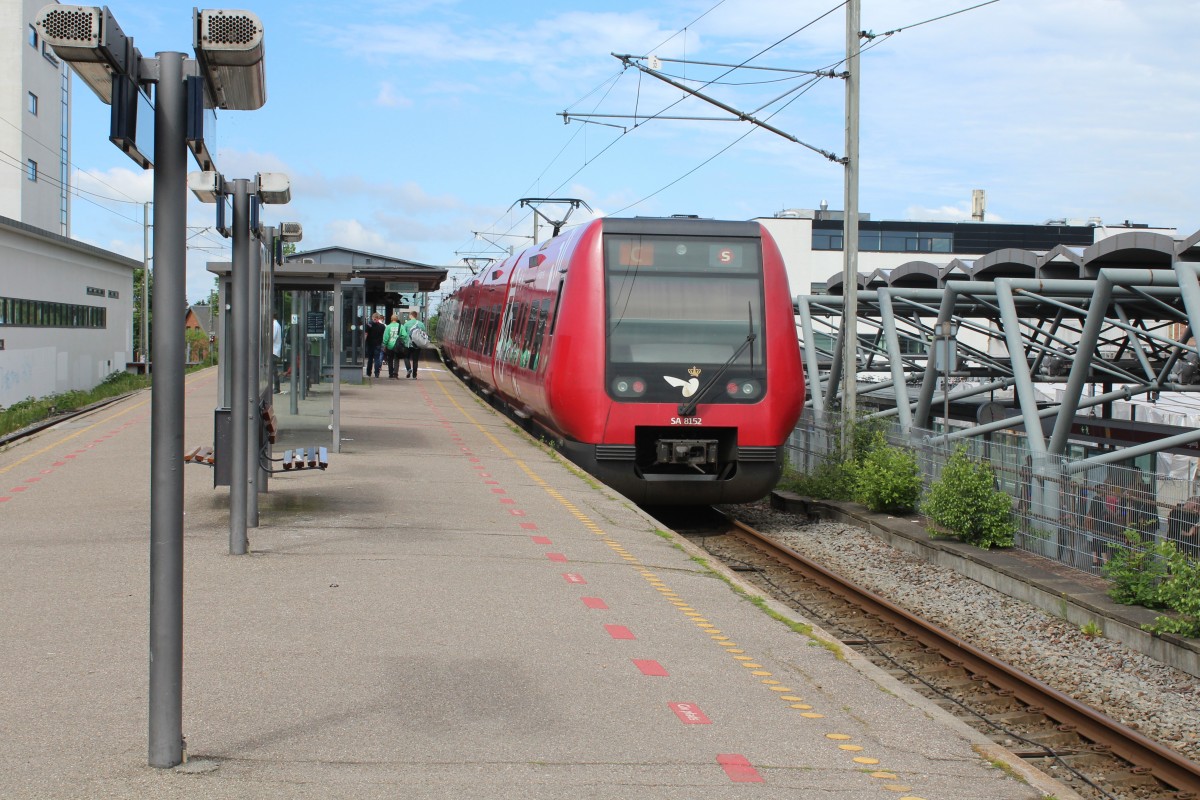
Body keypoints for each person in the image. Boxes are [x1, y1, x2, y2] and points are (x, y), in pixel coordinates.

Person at [401, 310, 427, 379]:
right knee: (415, 360)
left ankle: (409, 369)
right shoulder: (421, 324)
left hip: (408, 344)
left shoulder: (406, 324)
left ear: (411, 315)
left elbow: (403, 334)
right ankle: (414, 375)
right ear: (416, 316)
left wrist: (403, 341)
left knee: (406, 357)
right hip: (417, 344)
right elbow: (424, 333)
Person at [363, 312, 385, 379]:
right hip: (378, 344)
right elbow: (383, 335)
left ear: (372, 318)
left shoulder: (369, 325)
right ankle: (377, 374)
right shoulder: (382, 326)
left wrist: (363, 342)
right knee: (377, 359)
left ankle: (368, 373)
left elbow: (366, 334)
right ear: (379, 318)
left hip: (370, 344)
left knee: (370, 359)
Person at [382, 313, 403, 379]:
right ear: (397, 319)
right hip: (398, 346)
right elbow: (404, 335)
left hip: (389, 346)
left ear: (391, 319)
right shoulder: (401, 326)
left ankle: (390, 374)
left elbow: (385, 337)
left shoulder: (388, 327)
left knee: (390, 360)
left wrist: (385, 344)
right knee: (396, 359)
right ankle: (395, 374)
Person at [272, 317, 282, 393]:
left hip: (273, 350)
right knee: (273, 369)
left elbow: (272, 337)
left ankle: (276, 387)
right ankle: (276, 387)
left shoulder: (274, 325)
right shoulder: (276, 324)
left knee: (273, 370)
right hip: (275, 350)